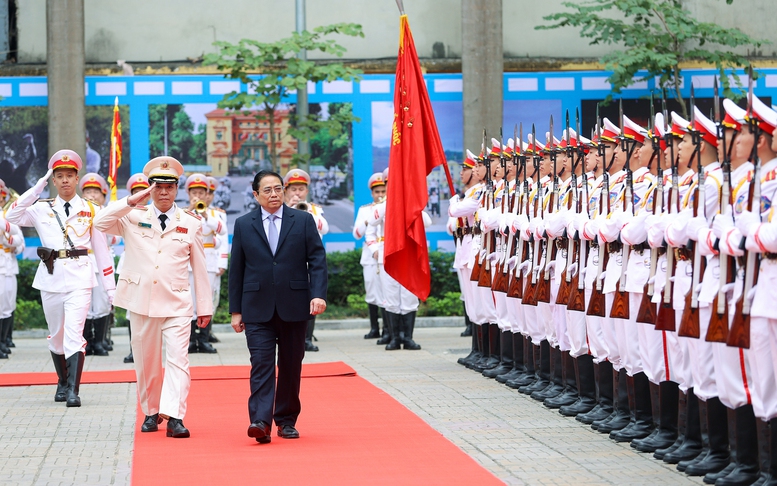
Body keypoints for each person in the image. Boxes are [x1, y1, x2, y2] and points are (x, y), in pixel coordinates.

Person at [93, 156, 212, 439]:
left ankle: (175, 416)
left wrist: (204, 307)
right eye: (157, 186)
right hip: (141, 301)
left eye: (169, 186)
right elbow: (99, 222)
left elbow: (200, 269)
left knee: (178, 360)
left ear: (177, 188)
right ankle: (150, 411)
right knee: (146, 361)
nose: (163, 192)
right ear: (149, 188)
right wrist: (132, 200)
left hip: (177, 303)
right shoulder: (133, 217)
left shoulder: (191, 223)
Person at [6, 150, 116, 407]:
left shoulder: (92, 209)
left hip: (80, 278)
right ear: (53, 180)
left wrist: (110, 289)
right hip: (51, 277)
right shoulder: (40, 208)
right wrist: (36, 187)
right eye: (59, 176)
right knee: (56, 336)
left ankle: (74, 391)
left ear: (77, 178)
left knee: (74, 334)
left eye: (69, 175)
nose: (65, 180)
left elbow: (102, 252)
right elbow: (11, 215)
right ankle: (62, 381)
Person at [229, 170, 327, 444]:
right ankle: (260, 421)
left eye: (278, 189)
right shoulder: (244, 224)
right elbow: (236, 269)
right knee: (261, 363)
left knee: (291, 364)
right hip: (256, 307)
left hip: (295, 306)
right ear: (256, 194)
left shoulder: (304, 221)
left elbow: (317, 260)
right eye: (268, 190)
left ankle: (285, 420)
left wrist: (318, 294)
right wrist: (236, 310)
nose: (274, 194)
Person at [283, 169, 329, 352]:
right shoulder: (280, 209)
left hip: (308, 263)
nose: (297, 193)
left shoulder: (315, 210)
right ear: (286, 190)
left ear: (307, 191)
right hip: (289, 263)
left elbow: (324, 228)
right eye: (293, 189)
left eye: (301, 189)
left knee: (311, 298)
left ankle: (307, 338)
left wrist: (305, 211)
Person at [183, 173, 225, 354]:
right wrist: (191, 211)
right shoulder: (182, 213)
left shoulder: (216, 214)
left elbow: (222, 232)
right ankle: (192, 341)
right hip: (188, 263)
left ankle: (204, 339)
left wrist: (206, 215)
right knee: (190, 302)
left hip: (208, 262)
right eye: (195, 193)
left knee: (206, 301)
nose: (198, 197)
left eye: (201, 193)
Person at [78, 173, 118, 357]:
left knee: (102, 303)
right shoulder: (77, 212)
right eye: (88, 191)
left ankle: (100, 342)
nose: (91, 195)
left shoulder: (105, 212)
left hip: (101, 263)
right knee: (84, 304)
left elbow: (114, 239)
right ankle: (85, 341)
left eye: (95, 192)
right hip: (82, 262)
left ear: (102, 195)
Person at [117, 173, 150, 364]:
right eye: (136, 192)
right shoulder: (125, 213)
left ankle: (148, 350)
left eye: (143, 192)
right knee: (132, 311)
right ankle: (134, 350)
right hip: (131, 266)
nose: (140, 195)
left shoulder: (156, 214)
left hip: (151, 267)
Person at [353, 172, 387, 340]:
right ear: (372, 193)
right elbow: (357, 234)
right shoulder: (365, 210)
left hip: (386, 255)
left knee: (387, 293)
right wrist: (366, 222)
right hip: (370, 257)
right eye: (377, 192)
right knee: (372, 292)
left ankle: (388, 329)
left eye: (383, 191)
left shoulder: (390, 207)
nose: (380, 195)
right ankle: (375, 328)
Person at [0, 178, 24, 357]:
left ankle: (3, 341)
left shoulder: (7, 215)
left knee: (7, 305)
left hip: (8, 264)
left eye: (2, 198)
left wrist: (8, 240)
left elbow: (19, 241)